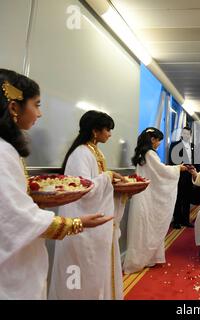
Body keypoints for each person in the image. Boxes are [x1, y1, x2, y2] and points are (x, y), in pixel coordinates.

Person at [0, 69, 112, 299]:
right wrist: (75, 223)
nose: (40, 114)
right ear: (13, 108)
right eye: (37, 104)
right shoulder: (3, 151)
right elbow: (14, 215)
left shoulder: (7, 149)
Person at [49, 110, 124, 300]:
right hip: (81, 224)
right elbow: (83, 189)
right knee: (81, 275)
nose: (110, 134)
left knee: (94, 273)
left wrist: (109, 181)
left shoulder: (93, 151)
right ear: (94, 131)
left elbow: (93, 183)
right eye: (107, 129)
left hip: (93, 223)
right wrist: (107, 177)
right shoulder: (81, 153)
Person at [123, 128, 188, 274]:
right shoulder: (150, 153)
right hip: (148, 196)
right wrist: (179, 168)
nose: (159, 143)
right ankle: (141, 259)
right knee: (147, 227)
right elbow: (162, 171)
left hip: (143, 194)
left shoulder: (141, 153)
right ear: (152, 139)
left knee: (143, 228)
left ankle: (148, 258)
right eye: (158, 140)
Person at [169, 126, 195, 229]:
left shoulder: (193, 146)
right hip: (179, 174)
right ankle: (176, 220)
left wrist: (193, 169)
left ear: (190, 135)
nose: (186, 135)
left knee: (187, 198)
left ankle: (185, 220)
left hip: (189, 174)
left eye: (188, 134)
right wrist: (182, 166)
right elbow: (171, 160)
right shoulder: (174, 145)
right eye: (184, 133)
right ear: (181, 134)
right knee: (178, 198)